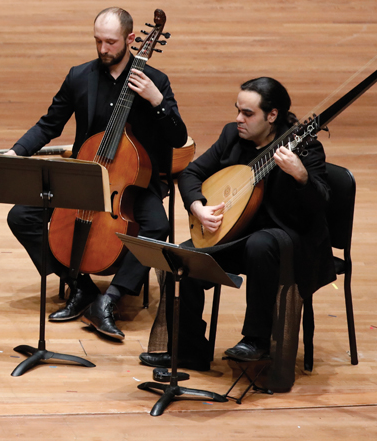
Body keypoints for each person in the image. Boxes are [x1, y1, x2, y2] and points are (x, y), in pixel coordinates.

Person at [4, 7, 188, 340]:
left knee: (157, 226)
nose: (103, 49)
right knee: (21, 216)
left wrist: (156, 100)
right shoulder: (80, 76)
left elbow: (178, 137)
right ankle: (80, 285)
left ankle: (110, 299)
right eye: (98, 41)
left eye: (111, 42)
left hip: (134, 183)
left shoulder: (155, 81)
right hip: (87, 176)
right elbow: (49, 124)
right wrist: (16, 153)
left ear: (131, 39)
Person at [139, 78, 333, 370]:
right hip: (238, 234)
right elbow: (191, 173)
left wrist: (301, 176)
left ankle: (256, 341)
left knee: (260, 244)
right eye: (238, 110)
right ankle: (190, 352)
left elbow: (321, 204)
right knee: (182, 258)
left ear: (272, 115)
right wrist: (198, 208)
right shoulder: (233, 136)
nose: (239, 119)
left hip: (288, 241)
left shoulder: (305, 148)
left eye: (248, 113)